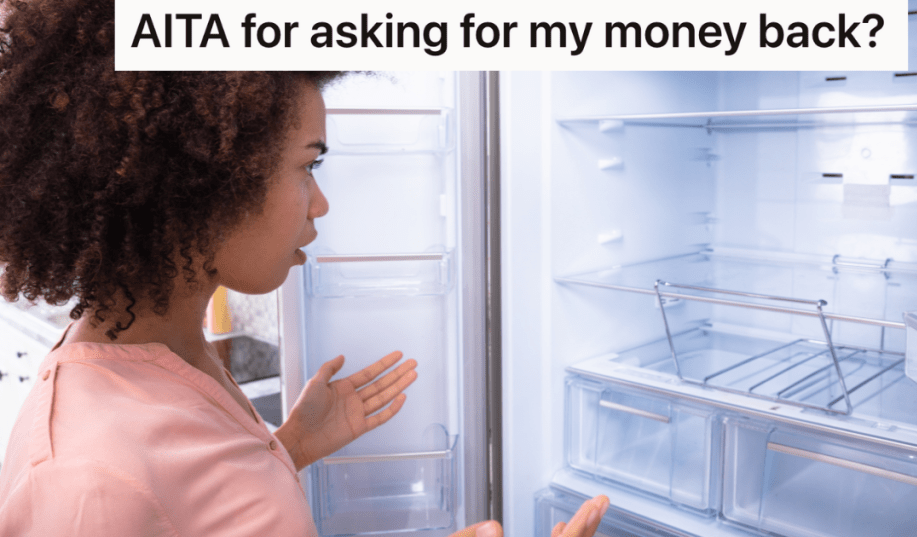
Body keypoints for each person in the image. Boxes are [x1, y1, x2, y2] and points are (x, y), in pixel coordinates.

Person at [0, 0, 609, 535]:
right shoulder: (83, 483)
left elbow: (194, 510)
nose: (321, 203)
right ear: (203, 180)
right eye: (308, 165)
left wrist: (287, 448)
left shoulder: (171, 349)